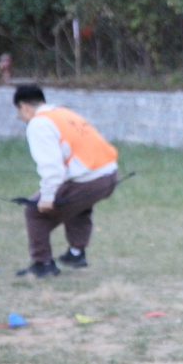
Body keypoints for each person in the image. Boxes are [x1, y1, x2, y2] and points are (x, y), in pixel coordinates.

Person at [13, 85, 119, 277]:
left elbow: (51, 167)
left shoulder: (39, 124)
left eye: (18, 112)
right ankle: (76, 254)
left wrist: (47, 197)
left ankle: (43, 263)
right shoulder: (63, 113)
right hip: (109, 174)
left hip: (91, 179)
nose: (20, 117)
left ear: (25, 107)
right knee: (77, 205)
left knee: (34, 212)